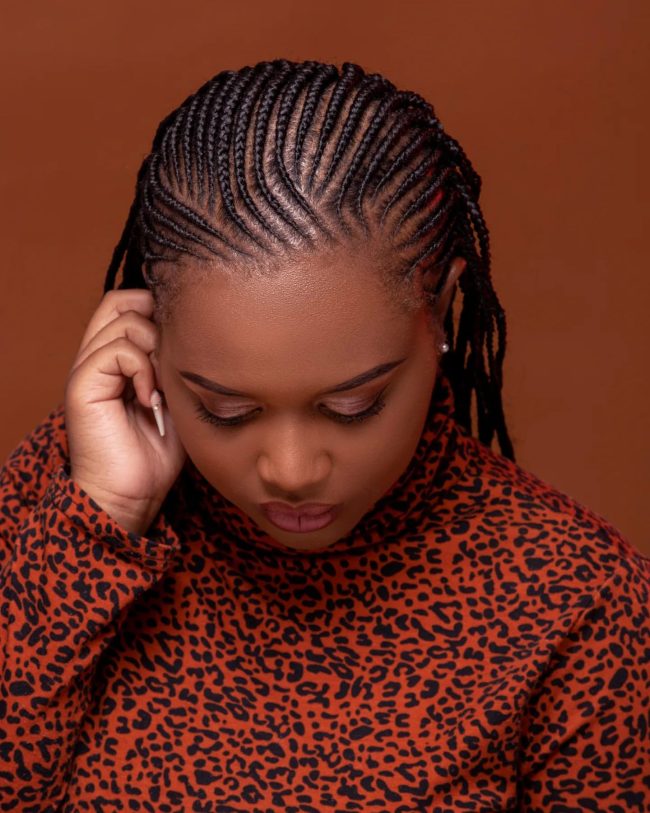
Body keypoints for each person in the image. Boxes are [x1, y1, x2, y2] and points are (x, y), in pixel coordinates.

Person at [0, 59, 647, 812]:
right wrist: (100, 520)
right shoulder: (69, 501)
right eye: (226, 410)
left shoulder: (578, 601)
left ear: (438, 311)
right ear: (152, 331)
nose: (292, 469)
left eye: (352, 405)